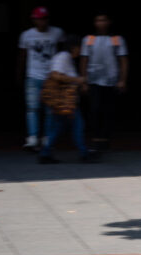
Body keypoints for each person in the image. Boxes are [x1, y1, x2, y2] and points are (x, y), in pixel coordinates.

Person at [39, 35, 97, 164]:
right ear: (74, 47)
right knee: (77, 125)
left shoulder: (67, 58)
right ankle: (84, 153)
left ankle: (46, 152)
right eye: (79, 48)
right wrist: (77, 80)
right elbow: (55, 75)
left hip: (65, 101)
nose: (80, 50)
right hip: (63, 100)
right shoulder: (63, 57)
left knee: (59, 127)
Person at [79, 12, 128, 151]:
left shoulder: (116, 39)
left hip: (111, 80)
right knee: (94, 109)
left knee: (108, 110)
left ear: (109, 22)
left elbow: (123, 60)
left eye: (103, 20)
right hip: (93, 79)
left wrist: (122, 80)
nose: (100, 23)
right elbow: (84, 59)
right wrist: (83, 80)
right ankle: (95, 137)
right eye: (97, 20)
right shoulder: (89, 39)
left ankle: (105, 138)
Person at [18, 6, 65, 151]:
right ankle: (33, 138)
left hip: (52, 76)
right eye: (39, 19)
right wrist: (19, 74)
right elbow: (22, 56)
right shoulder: (26, 35)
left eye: (44, 19)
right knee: (32, 108)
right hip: (33, 75)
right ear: (34, 20)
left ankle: (47, 138)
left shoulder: (57, 33)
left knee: (50, 109)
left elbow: (62, 52)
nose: (42, 22)